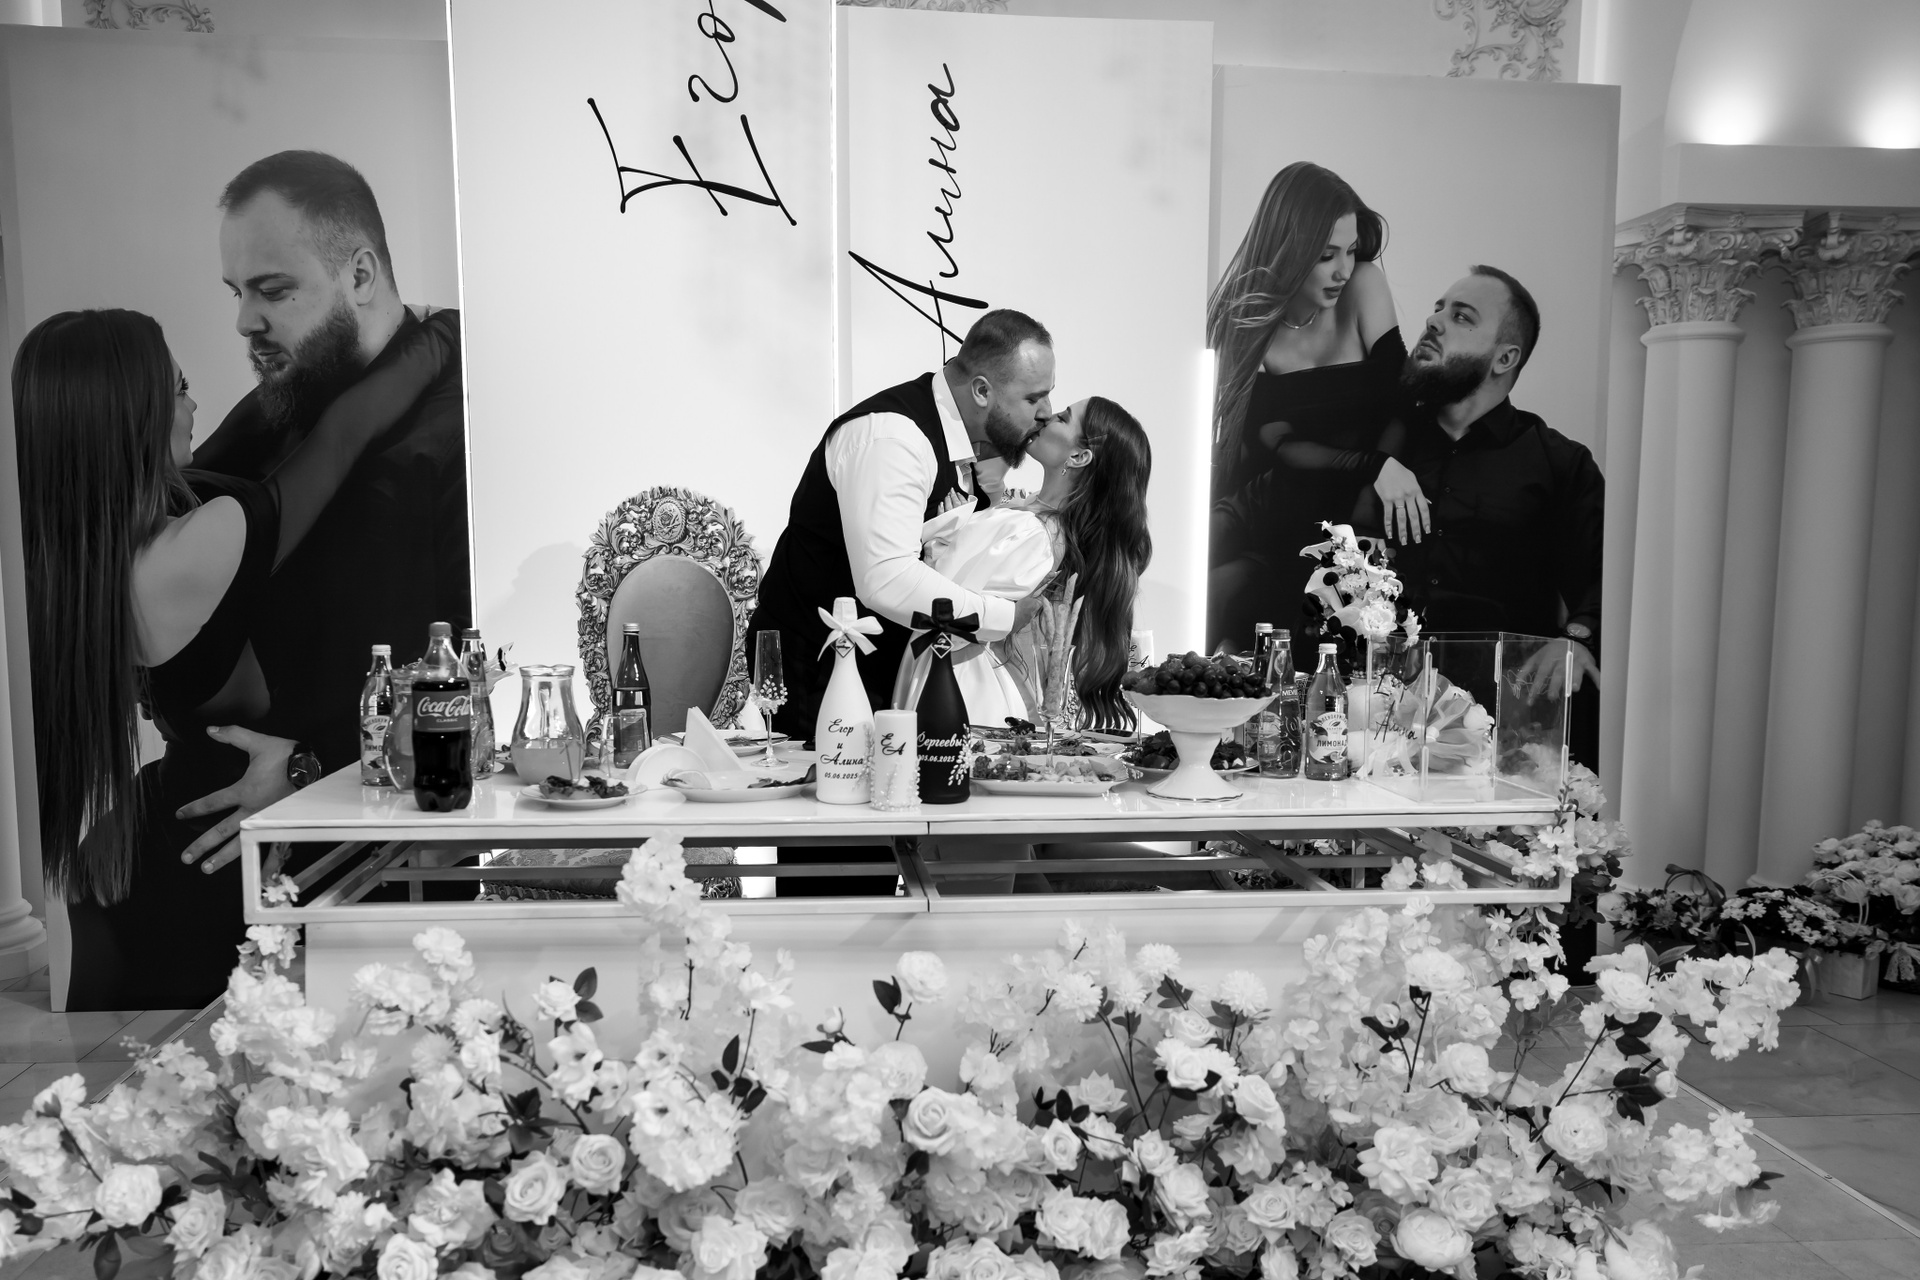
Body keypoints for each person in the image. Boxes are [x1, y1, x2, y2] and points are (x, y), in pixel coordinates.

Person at [13, 307, 459, 1011]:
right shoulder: (197, 542)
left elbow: (239, 437)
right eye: (180, 388)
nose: (194, 406)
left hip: (160, 833)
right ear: (135, 418)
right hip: (216, 863)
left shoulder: (72, 557)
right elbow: (338, 440)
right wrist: (435, 333)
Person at [751, 309, 1058, 894]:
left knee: (882, 850)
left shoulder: (956, 444)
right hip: (820, 667)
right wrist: (1001, 617)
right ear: (982, 390)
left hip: (874, 671)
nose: (1045, 411)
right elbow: (886, 578)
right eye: (1033, 397)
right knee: (840, 867)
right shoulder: (892, 438)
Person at [191, 151, 469, 775]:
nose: (244, 321)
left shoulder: (462, 431)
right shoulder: (275, 408)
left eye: (272, 290)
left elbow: (478, 665)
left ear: (361, 276)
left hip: (387, 806)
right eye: (237, 292)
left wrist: (309, 767)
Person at [1206, 162, 1423, 662]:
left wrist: (1379, 477)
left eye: (1350, 250)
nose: (1343, 269)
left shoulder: (1364, 285)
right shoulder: (1246, 320)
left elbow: (1403, 400)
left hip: (1367, 521)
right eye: (1326, 256)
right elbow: (1274, 445)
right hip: (1285, 521)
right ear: (1288, 250)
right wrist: (1374, 466)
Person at [1391, 266, 1603, 767]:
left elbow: (1603, 579)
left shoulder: (1560, 463)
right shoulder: (1383, 450)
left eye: (1461, 316)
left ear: (1505, 358)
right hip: (1379, 719)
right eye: (1438, 309)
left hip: (1509, 729)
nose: (1434, 322)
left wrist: (1575, 639)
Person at [892, 396, 1154, 732]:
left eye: (1063, 417)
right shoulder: (1030, 518)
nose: (1046, 416)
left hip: (963, 687)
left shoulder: (1033, 533)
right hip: (958, 676)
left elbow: (942, 609)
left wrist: (944, 539)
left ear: (1078, 456)